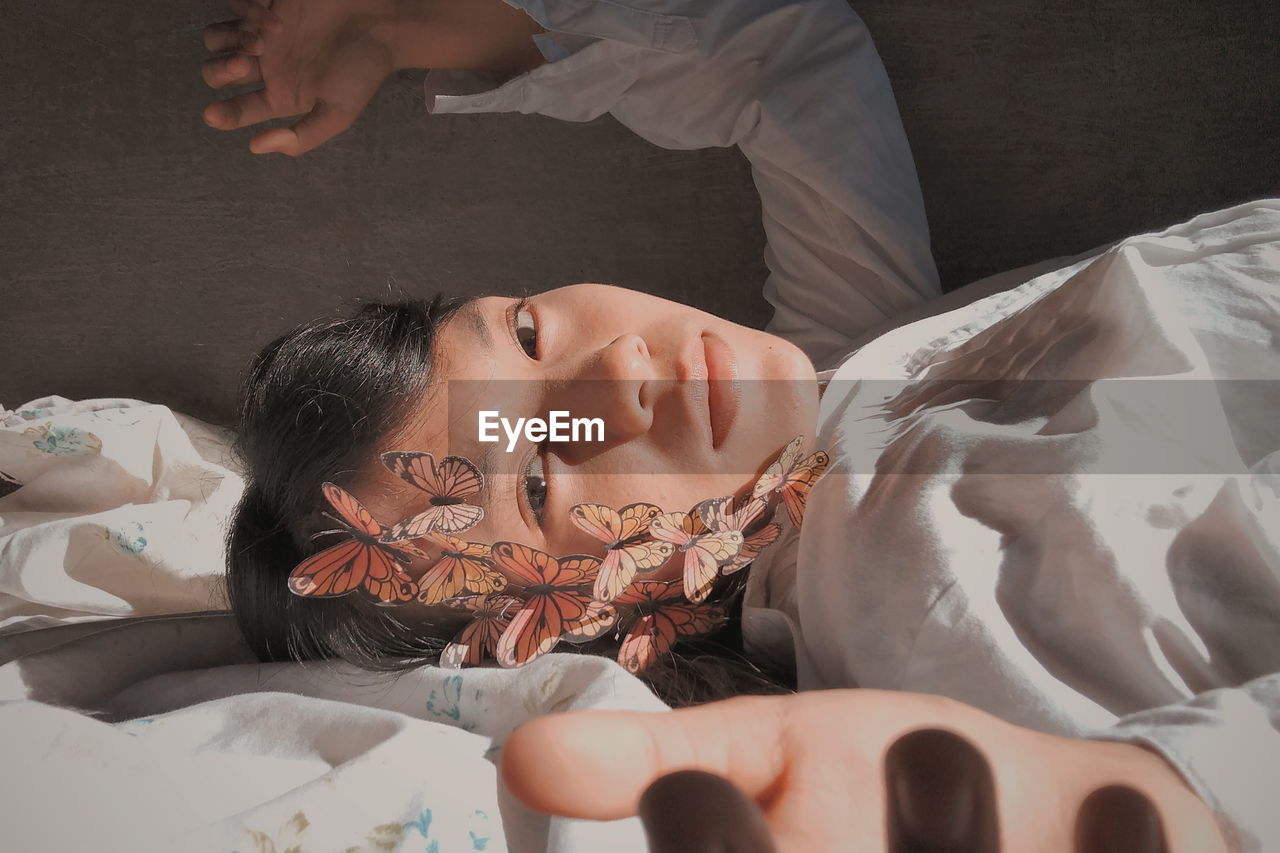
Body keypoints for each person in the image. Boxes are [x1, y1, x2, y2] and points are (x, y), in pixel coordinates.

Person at [203, 0, 1280, 849]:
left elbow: (791, 66)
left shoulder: (824, 397)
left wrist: (400, 23)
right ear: (583, 625)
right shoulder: (910, 576)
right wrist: (1164, 793)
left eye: (528, 335)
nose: (618, 370)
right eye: (534, 479)